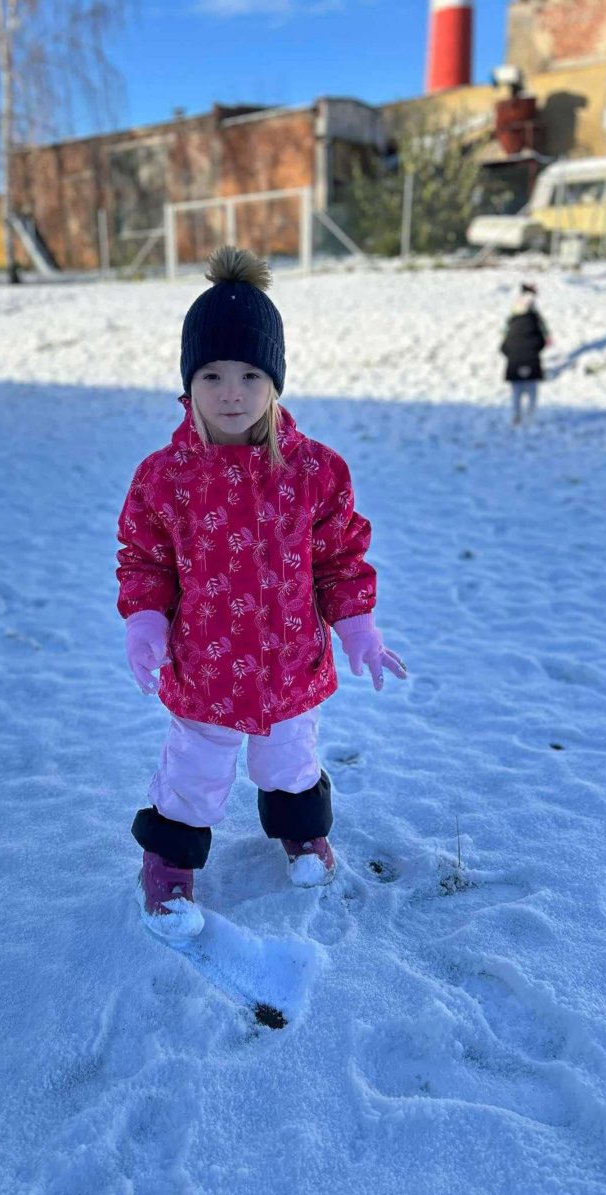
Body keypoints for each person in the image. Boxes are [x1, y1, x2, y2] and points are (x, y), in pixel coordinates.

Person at [116, 246, 407, 940]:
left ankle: (302, 833)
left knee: (291, 761)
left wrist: (358, 627)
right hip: (206, 667)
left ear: (274, 381)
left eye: (250, 374)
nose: (232, 392)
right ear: (190, 383)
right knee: (195, 771)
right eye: (212, 375)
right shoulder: (165, 478)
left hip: (290, 664)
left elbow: (340, 557)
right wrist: (145, 620)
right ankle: (170, 862)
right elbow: (145, 559)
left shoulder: (315, 471)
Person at [501, 282, 552, 425]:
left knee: (516, 393)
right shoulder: (535, 319)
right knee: (532, 392)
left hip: (514, 362)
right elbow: (542, 340)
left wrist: (511, 354)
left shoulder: (511, 320)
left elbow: (503, 345)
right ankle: (530, 417)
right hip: (532, 361)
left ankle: (516, 415)